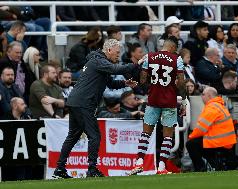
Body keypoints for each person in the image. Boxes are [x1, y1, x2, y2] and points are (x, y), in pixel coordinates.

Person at [53, 39, 139, 179]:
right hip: (84, 103)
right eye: (117, 53)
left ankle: (59, 170)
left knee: (73, 136)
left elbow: (110, 83)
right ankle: (92, 170)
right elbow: (116, 69)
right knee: (95, 136)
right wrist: (136, 65)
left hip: (77, 101)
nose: (118, 56)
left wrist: (124, 83)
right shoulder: (99, 61)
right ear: (109, 50)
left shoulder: (98, 61)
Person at [128, 36, 186, 175]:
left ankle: (139, 163)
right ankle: (161, 168)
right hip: (169, 102)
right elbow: (182, 82)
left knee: (146, 133)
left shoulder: (149, 56)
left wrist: (152, 85)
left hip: (153, 100)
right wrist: (183, 100)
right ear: (173, 47)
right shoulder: (176, 59)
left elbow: (142, 80)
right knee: (167, 137)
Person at [186, 87, 238, 172]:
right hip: (225, 142)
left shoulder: (211, 107)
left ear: (209, 96)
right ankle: (214, 166)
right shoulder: (219, 105)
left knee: (191, 144)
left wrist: (191, 136)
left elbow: (201, 129)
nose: (201, 96)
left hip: (219, 142)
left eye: (203, 94)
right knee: (201, 144)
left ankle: (201, 169)